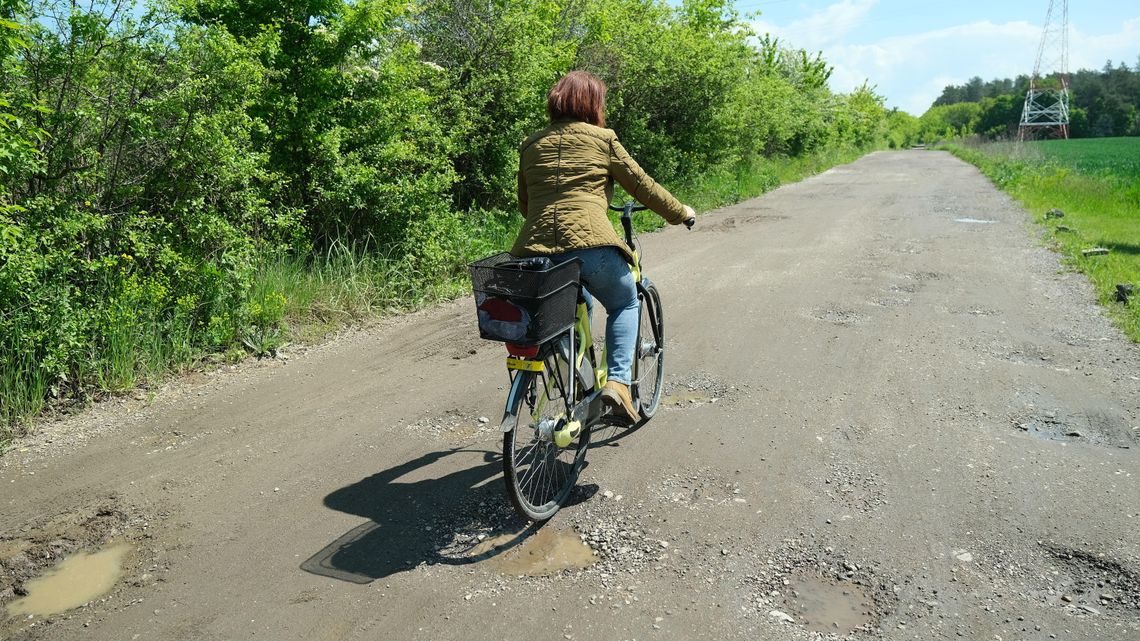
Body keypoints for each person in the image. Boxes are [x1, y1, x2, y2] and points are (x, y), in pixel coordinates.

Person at [512, 70, 696, 423]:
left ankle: (574, 374)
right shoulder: (602, 139)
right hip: (589, 244)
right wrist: (680, 213)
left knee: (570, 305)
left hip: (534, 250)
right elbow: (643, 186)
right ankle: (618, 384)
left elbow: (526, 204)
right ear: (593, 104)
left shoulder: (532, 145)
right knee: (625, 301)